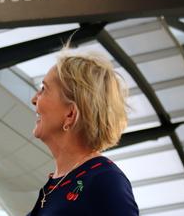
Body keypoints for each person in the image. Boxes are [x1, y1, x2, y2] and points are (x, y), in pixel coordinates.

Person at [27, 48, 139, 215]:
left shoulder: (105, 180)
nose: (34, 99)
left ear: (71, 114)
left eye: (44, 89)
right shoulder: (57, 184)